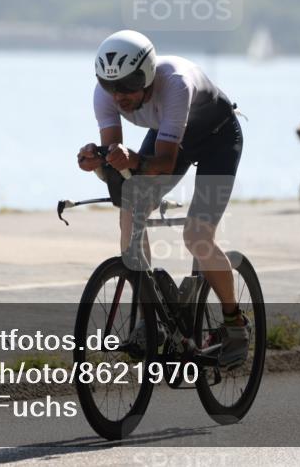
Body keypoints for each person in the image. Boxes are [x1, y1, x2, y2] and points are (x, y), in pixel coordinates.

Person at [76, 30, 249, 366]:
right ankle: (149, 319)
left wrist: (133, 160)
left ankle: (234, 323)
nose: (119, 96)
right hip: (171, 132)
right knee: (131, 209)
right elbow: (118, 163)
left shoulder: (176, 84)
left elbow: (165, 163)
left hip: (217, 138)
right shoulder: (105, 95)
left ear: (149, 75)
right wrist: (99, 161)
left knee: (197, 236)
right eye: (111, 86)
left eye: (129, 85)